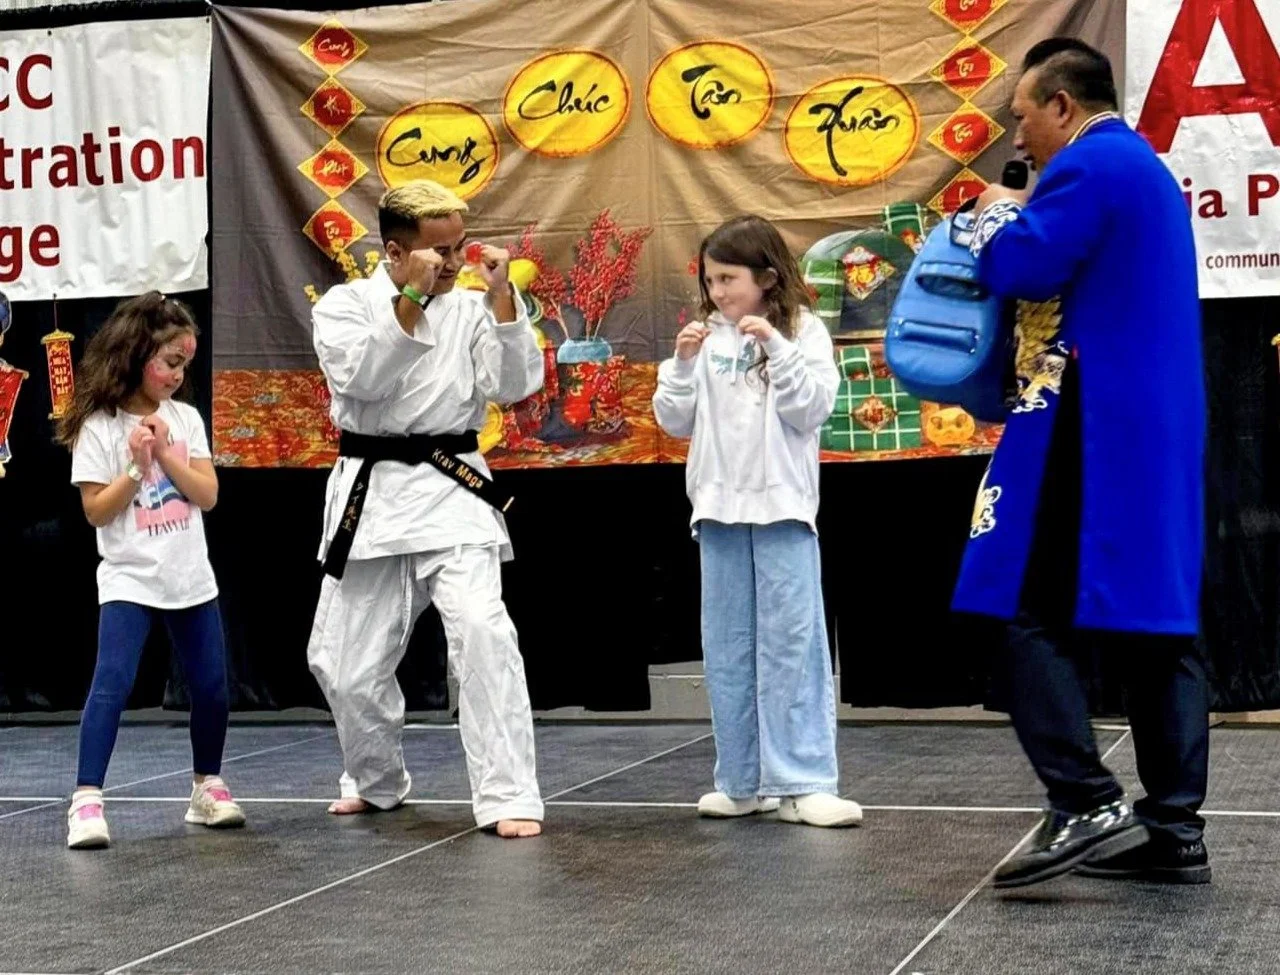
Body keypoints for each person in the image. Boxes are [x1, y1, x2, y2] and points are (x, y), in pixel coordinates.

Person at [956, 38, 1210, 887]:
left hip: (1091, 414)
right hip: (1155, 422)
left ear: (1062, 106)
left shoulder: (1089, 165)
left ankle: (1083, 798)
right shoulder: (1144, 169)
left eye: (1024, 116)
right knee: (1159, 624)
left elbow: (1024, 264)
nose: (1019, 138)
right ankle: (1174, 831)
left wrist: (996, 214)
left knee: (1016, 601)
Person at [307, 179, 545, 838]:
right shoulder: (344, 307)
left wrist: (502, 302)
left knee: (485, 634)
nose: (453, 261)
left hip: (452, 490)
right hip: (372, 496)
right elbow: (361, 380)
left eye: (459, 246)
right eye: (440, 251)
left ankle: (508, 793)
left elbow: (514, 385)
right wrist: (410, 300)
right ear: (394, 251)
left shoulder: (471, 309)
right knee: (345, 669)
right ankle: (376, 780)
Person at [653, 215, 862, 828]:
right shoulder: (706, 339)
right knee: (728, 648)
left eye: (729, 279)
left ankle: (804, 781)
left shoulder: (804, 331)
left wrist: (774, 343)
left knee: (792, 644)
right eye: (710, 279)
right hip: (718, 511)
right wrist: (682, 364)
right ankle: (743, 781)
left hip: (783, 510)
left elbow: (810, 410)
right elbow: (674, 421)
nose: (717, 291)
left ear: (767, 278)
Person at [59, 292, 245, 849]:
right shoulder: (99, 426)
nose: (178, 374)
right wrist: (137, 468)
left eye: (184, 364)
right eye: (170, 362)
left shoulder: (185, 418)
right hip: (130, 577)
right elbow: (96, 511)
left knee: (211, 687)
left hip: (189, 576)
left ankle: (206, 785)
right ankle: (86, 800)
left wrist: (164, 454)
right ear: (138, 355)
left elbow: (207, 495)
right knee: (111, 684)